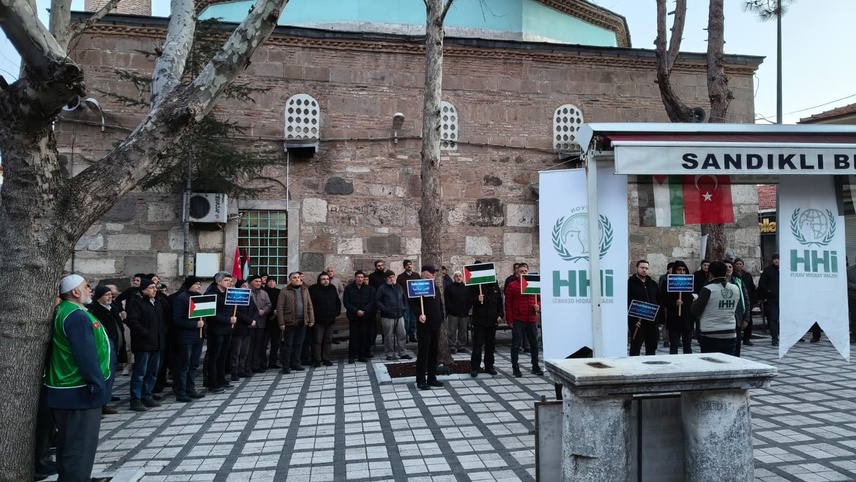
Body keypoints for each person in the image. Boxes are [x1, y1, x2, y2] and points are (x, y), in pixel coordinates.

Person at [45, 275, 114, 482]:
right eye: (86, 286)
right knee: (80, 445)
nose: (90, 290)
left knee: (71, 443)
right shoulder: (75, 315)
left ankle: (74, 477)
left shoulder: (65, 310)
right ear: (75, 292)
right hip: (78, 388)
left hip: (69, 388)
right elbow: (85, 355)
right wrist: (96, 385)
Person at [124, 278, 167, 411]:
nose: (155, 290)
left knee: (152, 371)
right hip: (143, 343)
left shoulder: (156, 302)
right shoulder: (136, 302)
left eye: (155, 288)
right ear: (143, 290)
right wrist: (146, 333)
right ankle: (135, 399)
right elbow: (133, 321)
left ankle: (147, 395)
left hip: (157, 342)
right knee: (140, 372)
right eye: (151, 288)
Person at [87, 284, 125, 414]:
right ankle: (100, 405)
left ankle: (106, 401)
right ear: (98, 297)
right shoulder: (94, 311)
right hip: (104, 348)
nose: (110, 297)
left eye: (110, 295)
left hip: (114, 347)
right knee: (104, 376)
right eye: (106, 295)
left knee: (111, 376)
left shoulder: (112, 308)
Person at [692, 261, 742, 355]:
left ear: (710, 274)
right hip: (730, 331)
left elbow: (695, 310)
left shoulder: (708, 289)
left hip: (711, 332)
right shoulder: (735, 288)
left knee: (711, 361)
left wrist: (695, 302)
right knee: (728, 361)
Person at [171, 276, 206, 402]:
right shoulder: (182, 298)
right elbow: (177, 319)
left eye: (199, 284)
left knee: (194, 364)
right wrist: (195, 324)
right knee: (184, 365)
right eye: (196, 284)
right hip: (185, 337)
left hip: (198, 336)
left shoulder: (199, 297)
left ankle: (190, 389)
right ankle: (181, 392)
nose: (199, 286)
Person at [410, 265, 444, 390]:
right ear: (424, 274)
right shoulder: (418, 286)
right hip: (424, 326)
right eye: (431, 272)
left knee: (434, 352)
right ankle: (421, 380)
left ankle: (432, 377)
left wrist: (441, 316)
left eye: (434, 272)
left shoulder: (435, 287)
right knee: (424, 353)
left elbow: (439, 304)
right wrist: (419, 314)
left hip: (436, 325)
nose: (434, 274)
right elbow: (413, 304)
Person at [505, 262, 542, 377]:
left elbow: (539, 299)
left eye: (525, 271)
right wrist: (510, 320)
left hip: (531, 319)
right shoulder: (512, 286)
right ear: (517, 274)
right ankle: (515, 367)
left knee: (534, 344)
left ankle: (535, 366)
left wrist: (538, 306)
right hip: (518, 319)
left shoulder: (534, 284)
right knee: (516, 344)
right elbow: (508, 304)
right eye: (521, 271)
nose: (524, 273)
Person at [204, 271, 236, 393]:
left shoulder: (229, 293)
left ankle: (221, 379)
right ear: (218, 282)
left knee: (223, 355)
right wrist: (228, 319)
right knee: (214, 356)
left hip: (227, 329)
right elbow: (210, 314)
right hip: (216, 330)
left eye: (230, 281)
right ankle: (212, 382)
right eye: (226, 281)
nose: (229, 283)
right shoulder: (211, 294)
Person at [277, 271, 315, 373]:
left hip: (302, 321)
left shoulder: (305, 290)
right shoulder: (284, 291)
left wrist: (311, 319)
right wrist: (281, 322)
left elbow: (309, 305)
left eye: (298, 277)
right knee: (288, 344)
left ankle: (296, 363)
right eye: (294, 278)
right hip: (289, 322)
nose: (297, 279)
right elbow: (280, 307)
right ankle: (286, 365)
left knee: (299, 344)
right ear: (290, 280)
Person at [470, 271, 503, 377]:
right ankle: (475, 367)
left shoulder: (495, 287)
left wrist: (500, 314)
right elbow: (469, 300)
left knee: (490, 346)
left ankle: (489, 366)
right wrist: (477, 299)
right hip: (479, 320)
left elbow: (499, 303)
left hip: (492, 320)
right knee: (477, 345)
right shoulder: (477, 286)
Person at [627, 260, 661, 356]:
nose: (644, 270)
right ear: (636, 268)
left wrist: (659, 318)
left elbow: (659, 301)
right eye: (642, 268)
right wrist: (633, 320)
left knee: (652, 347)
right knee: (635, 347)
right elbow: (627, 301)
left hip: (652, 322)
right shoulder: (630, 283)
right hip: (638, 322)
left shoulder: (653, 284)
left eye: (646, 268)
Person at [375, 269, 411, 361]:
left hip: (399, 315)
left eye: (393, 277)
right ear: (386, 279)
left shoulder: (398, 287)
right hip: (387, 316)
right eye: (389, 277)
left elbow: (404, 298)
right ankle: (389, 353)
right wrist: (385, 309)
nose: (392, 279)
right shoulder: (382, 288)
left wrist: (404, 307)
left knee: (402, 334)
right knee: (388, 336)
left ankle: (403, 352)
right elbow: (377, 301)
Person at [309, 271, 341, 367]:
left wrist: (336, 312)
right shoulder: (313, 289)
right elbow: (310, 304)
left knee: (328, 340)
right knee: (317, 340)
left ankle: (326, 358)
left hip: (330, 319)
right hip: (318, 319)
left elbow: (337, 301)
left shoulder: (332, 288)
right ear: (319, 280)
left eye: (327, 279)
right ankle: (317, 359)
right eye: (323, 279)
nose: (326, 281)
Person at [661, 261, 693, 354]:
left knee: (687, 345)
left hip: (687, 317)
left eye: (684, 270)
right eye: (679, 270)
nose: (682, 272)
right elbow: (663, 299)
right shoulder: (667, 283)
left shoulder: (690, 282)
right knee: (674, 345)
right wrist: (674, 303)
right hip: (674, 317)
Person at [344, 270, 376, 363]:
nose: (360, 279)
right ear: (355, 278)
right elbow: (346, 302)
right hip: (353, 316)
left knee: (363, 336)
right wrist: (356, 311)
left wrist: (364, 310)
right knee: (353, 336)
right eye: (358, 277)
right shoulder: (349, 288)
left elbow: (372, 302)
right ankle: (352, 355)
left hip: (365, 316)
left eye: (362, 277)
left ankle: (361, 355)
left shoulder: (369, 289)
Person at [229, 280, 256, 381]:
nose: (246, 287)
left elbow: (255, 310)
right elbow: (236, 313)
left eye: (247, 286)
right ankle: (234, 372)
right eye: (243, 286)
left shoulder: (250, 298)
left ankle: (241, 369)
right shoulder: (234, 299)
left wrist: (253, 320)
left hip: (248, 328)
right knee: (236, 352)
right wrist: (249, 321)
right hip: (239, 328)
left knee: (244, 352)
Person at [724, 259, 751, 357]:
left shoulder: (738, 282)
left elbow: (746, 300)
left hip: (736, 318)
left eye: (730, 267)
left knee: (736, 346)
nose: (728, 269)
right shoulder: (715, 283)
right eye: (726, 267)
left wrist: (746, 318)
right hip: (722, 320)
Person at [248, 275, 272, 373]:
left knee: (259, 345)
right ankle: (247, 367)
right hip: (250, 323)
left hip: (261, 323)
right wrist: (257, 311)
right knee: (250, 346)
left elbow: (269, 305)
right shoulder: (247, 293)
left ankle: (256, 366)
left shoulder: (264, 293)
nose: (258, 283)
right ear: (251, 282)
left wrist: (264, 310)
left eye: (259, 281)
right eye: (256, 281)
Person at [733, 258, 757, 346]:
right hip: (737, 301)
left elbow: (752, 288)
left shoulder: (747, 275)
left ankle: (747, 338)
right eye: (737, 264)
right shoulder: (733, 276)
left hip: (747, 299)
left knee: (748, 320)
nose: (739, 266)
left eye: (740, 264)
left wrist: (754, 300)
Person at [445, 270, 470, 354]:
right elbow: (447, 300)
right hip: (453, 313)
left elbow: (469, 300)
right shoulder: (449, 288)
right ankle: (452, 346)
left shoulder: (466, 288)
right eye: (456, 276)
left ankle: (461, 346)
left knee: (463, 331)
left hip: (464, 313)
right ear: (454, 278)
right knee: (452, 331)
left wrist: (467, 309)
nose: (458, 278)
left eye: (460, 276)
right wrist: (451, 309)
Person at [757, 254, 780, 346]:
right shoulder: (768, 270)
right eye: (775, 259)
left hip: (785, 299)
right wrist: (769, 291)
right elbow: (762, 284)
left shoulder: (785, 270)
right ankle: (774, 338)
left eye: (778, 259)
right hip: (773, 299)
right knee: (774, 319)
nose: (777, 261)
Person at [397, 260, 421, 343]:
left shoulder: (416, 275)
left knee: (414, 319)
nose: (409, 266)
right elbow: (399, 289)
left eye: (410, 264)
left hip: (415, 301)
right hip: (406, 301)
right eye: (407, 265)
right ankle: (405, 335)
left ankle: (412, 335)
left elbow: (419, 286)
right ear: (404, 266)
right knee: (406, 319)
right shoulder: (400, 277)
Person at [262, 276, 282, 369]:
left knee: (275, 343)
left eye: (273, 281)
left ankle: (272, 362)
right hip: (265, 321)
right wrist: (271, 314)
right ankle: (262, 363)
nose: (272, 283)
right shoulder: (263, 292)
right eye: (270, 281)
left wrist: (276, 313)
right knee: (264, 344)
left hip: (276, 321)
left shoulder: (279, 292)